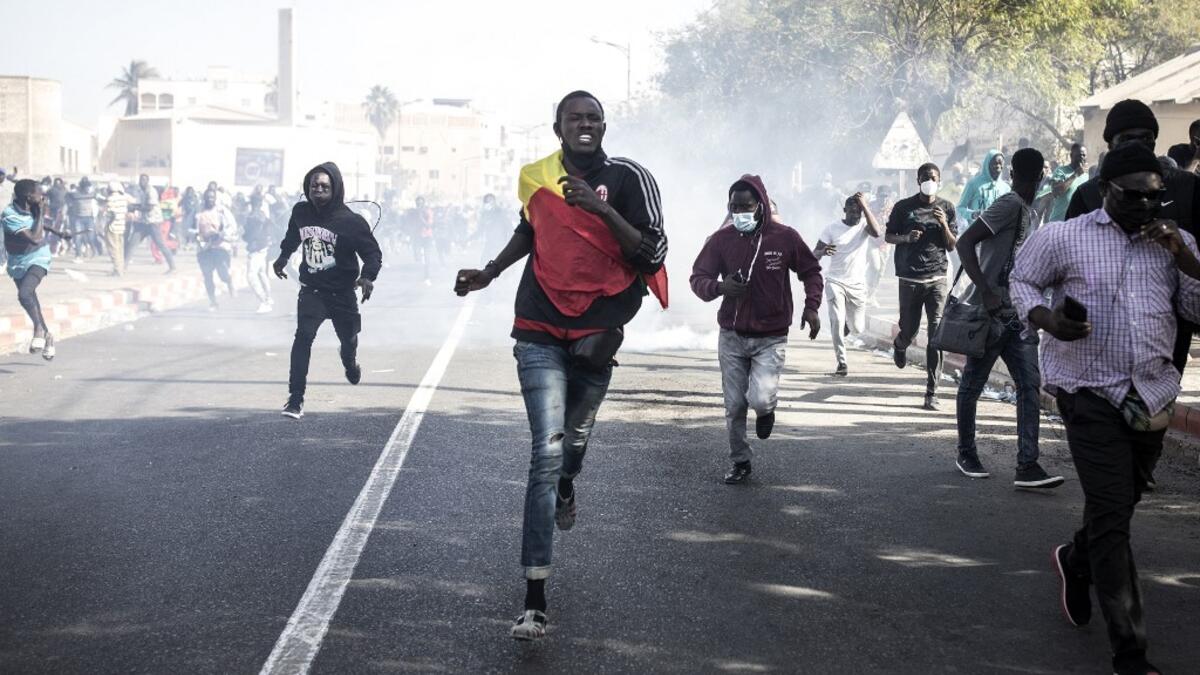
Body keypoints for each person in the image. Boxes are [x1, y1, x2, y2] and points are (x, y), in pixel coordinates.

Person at [453, 91, 667, 641]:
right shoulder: (538, 176)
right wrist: (491, 272)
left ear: (604, 125)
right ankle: (534, 599)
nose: (586, 125)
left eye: (594, 117)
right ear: (558, 128)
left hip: (597, 330)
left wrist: (601, 209)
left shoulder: (629, 178)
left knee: (571, 449)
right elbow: (531, 229)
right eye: (576, 118)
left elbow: (654, 252)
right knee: (546, 451)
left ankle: (570, 484)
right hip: (539, 325)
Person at [1010, 142, 1200, 675]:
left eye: (1155, 199)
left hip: (1152, 394)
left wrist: (1185, 259)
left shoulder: (1176, 244)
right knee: (1114, 515)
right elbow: (1022, 280)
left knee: (1122, 501)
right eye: (1133, 196)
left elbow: (1195, 309)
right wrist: (1046, 318)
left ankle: (1075, 557)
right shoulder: (1064, 237)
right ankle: (1130, 652)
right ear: (1106, 190)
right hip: (1087, 389)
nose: (1145, 208)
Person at [691, 175, 822, 484]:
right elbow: (698, 278)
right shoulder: (721, 240)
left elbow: (811, 271)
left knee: (759, 399)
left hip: (771, 336)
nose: (740, 213)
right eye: (734, 207)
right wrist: (721, 287)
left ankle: (766, 411)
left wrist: (812, 306)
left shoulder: (785, 237)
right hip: (732, 336)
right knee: (735, 404)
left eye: (746, 206)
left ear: (761, 206)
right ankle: (740, 461)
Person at [952, 147, 1065, 488]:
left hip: (1017, 314)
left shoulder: (1028, 210)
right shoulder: (1009, 204)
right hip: (993, 312)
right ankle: (966, 452)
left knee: (1029, 385)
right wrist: (986, 289)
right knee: (974, 382)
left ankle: (1027, 465)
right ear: (1035, 176)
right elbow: (964, 242)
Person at [1066, 99, 1200, 375]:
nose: (1138, 146)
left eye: (1146, 139)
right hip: (1104, 332)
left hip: (1167, 330)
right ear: (1111, 144)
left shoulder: (1187, 187)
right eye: (1127, 139)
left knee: (1153, 410)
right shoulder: (1091, 193)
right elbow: (1066, 263)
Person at [274, 162, 382, 419]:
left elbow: (372, 253)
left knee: (348, 339)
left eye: (324, 186)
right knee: (303, 338)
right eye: (314, 186)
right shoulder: (301, 212)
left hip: (342, 293)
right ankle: (295, 400)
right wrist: (282, 258)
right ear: (307, 188)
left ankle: (350, 363)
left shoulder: (351, 222)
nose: (318, 190)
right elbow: (292, 237)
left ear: (335, 189)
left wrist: (367, 277)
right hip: (312, 291)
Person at [886, 163, 958, 409]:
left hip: (937, 278)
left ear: (939, 180)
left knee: (936, 335)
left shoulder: (947, 208)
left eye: (934, 177)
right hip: (910, 279)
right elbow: (888, 236)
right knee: (910, 329)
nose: (930, 181)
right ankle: (900, 343)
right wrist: (906, 238)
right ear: (918, 180)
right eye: (926, 177)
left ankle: (931, 392)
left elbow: (951, 245)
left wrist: (944, 224)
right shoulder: (903, 207)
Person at [814, 192, 882, 375]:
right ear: (844, 211)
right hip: (835, 280)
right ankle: (842, 363)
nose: (855, 215)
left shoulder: (864, 226)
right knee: (836, 321)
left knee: (857, 328)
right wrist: (823, 251)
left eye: (858, 211)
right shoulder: (831, 229)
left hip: (858, 285)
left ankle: (848, 325)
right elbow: (814, 254)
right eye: (852, 211)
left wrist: (865, 205)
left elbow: (877, 233)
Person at [3, 179, 71, 360]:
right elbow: (34, 236)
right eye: (38, 192)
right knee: (31, 299)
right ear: (28, 196)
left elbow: (39, 231)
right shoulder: (9, 215)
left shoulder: (31, 209)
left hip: (38, 257)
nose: (42, 195)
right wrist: (41, 212)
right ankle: (47, 336)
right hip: (18, 261)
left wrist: (59, 233)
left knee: (24, 294)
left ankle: (38, 329)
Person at [123, 174, 176, 273]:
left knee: (161, 245)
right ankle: (123, 267)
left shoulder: (151, 191)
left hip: (153, 222)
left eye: (144, 180)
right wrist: (133, 206)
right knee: (132, 244)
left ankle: (172, 267)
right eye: (140, 180)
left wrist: (135, 208)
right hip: (143, 222)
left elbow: (149, 207)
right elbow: (141, 204)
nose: (142, 182)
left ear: (148, 181)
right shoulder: (140, 191)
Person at [194, 189, 237, 310]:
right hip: (203, 248)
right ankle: (213, 302)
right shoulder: (198, 212)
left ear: (215, 198)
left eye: (212, 197)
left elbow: (232, 226)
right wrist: (196, 236)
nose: (210, 199)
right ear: (204, 198)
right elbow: (189, 228)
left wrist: (221, 234)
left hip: (219, 247)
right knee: (207, 276)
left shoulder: (221, 211)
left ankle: (229, 282)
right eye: (207, 197)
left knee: (222, 273)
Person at [957, 150, 1011, 228]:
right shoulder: (973, 184)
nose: (998, 166)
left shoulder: (1006, 188)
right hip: (977, 232)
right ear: (987, 164)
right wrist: (973, 214)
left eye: (1000, 163)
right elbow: (960, 208)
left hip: (997, 233)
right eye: (995, 163)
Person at [244, 190, 274, 313]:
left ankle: (264, 301)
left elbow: (250, 234)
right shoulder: (261, 215)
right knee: (261, 273)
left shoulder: (254, 216)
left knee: (251, 276)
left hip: (257, 248)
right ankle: (268, 297)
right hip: (262, 247)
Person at [66, 177, 102, 261]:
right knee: (78, 237)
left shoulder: (92, 194)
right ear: (82, 187)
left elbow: (101, 199)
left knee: (91, 237)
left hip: (89, 218)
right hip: (78, 218)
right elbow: (67, 196)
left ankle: (94, 251)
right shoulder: (75, 194)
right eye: (87, 187)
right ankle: (78, 255)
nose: (88, 189)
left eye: (89, 187)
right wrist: (70, 204)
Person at [100, 181, 128, 276]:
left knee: (113, 249)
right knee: (120, 249)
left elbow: (108, 214)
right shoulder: (123, 199)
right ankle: (121, 269)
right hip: (121, 226)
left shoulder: (110, 199)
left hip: (112, 227)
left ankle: (117, 270)